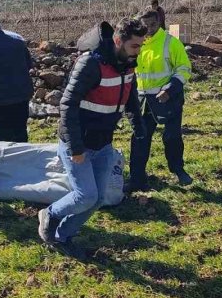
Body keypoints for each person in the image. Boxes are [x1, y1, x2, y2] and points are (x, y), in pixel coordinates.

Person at [38, 19, 146, 259]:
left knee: (97, 199)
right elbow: (67, 104)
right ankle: (51, 214)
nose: (139, 51)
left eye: (141, 45)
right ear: (118, 41)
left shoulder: (128, 66)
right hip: (78, 143)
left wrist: (139, 126)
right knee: (85, 195)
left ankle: (63, 235)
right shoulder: (90, 63)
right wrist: (76, 148)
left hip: (103, 143)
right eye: (135, 46)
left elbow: (130, 100)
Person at [128, 9, 193, 191]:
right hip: (144, 101)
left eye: (153, 25)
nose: (149, 29)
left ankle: (179, 170)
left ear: (159, 23)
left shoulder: (171, 43)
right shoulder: (137, 44)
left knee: (172, 137)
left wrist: (170, 89)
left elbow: (183, 68)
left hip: (169, 99)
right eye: (145, 26)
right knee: (140, 139)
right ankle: (137, 180)